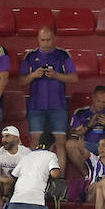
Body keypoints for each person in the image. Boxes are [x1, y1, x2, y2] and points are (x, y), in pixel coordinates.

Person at [18, 26, 78, 164]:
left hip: (58, 106)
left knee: (60, 142)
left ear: (54, 39)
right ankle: (35, 176)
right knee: (35, 141)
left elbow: (74, 78)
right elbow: (21, 81)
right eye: (42, 40)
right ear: (38, 39)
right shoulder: (30, 56)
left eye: (48, 40)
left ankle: (60, 179)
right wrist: (33, 75)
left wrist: (56, 75)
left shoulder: (63, 55)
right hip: (36, 106)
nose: (45, 43)